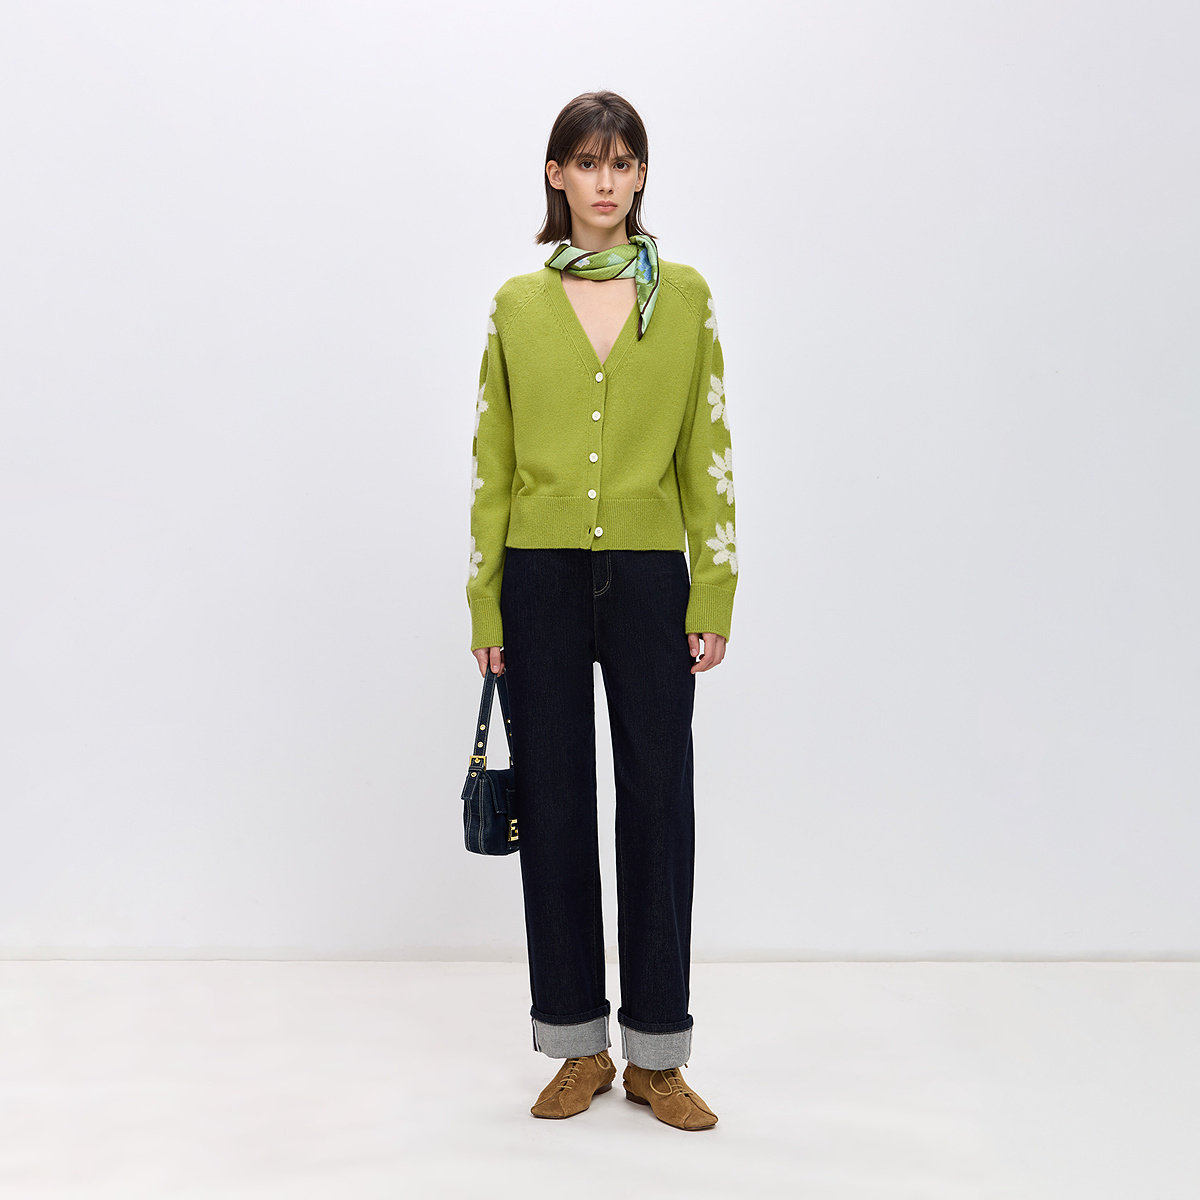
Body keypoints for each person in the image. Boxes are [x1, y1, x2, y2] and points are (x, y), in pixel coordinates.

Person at [465, 90, 737, 1131]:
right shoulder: (516, 305)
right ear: (556, 175)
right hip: (535, 576)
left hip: (652, 575)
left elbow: (707, 451)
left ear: (642, 175)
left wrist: (713, 586)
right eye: (587, 162)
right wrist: (485, 603)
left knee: (659, 801)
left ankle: (658, 1055)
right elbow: (492, 463)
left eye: (624, 163)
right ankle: (575, 1043)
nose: (607, 181)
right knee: (557, 805)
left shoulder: (685, 298)